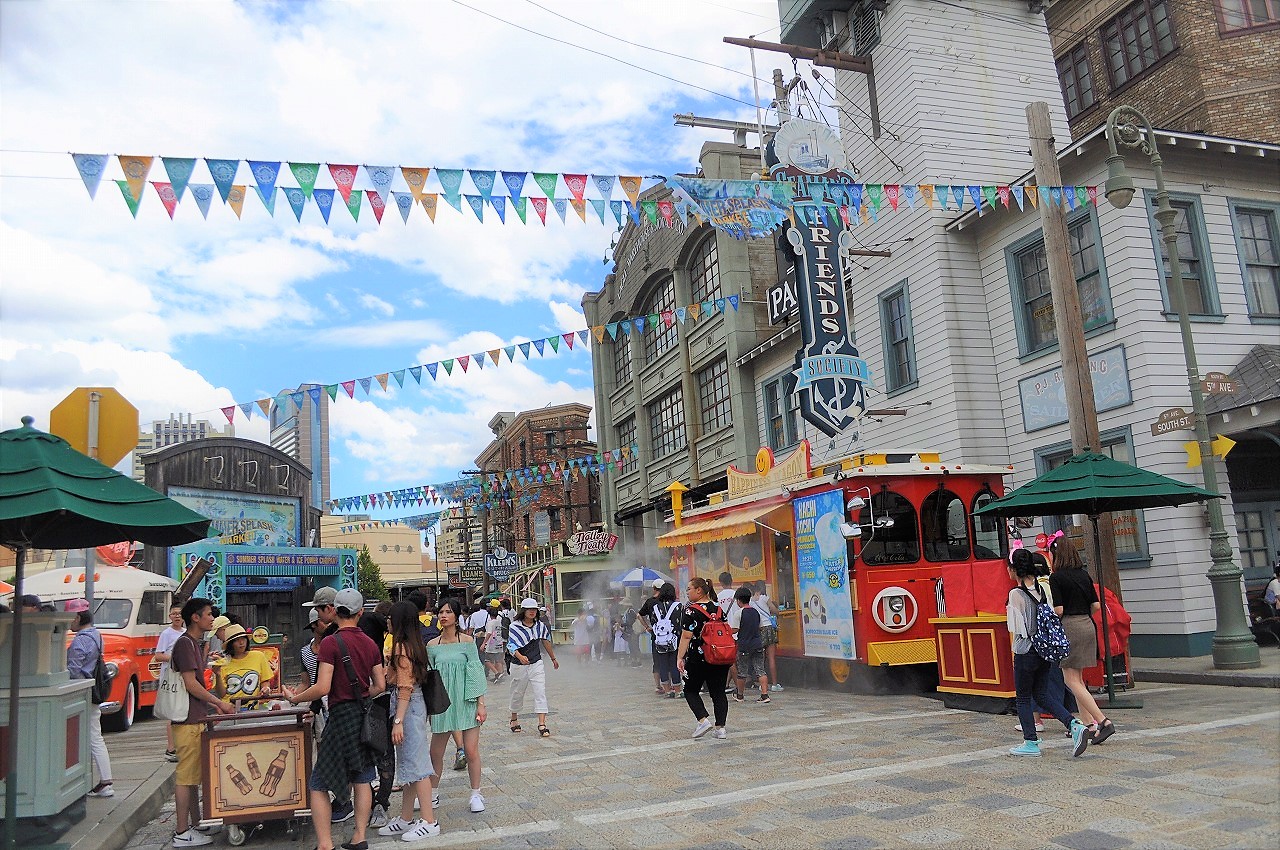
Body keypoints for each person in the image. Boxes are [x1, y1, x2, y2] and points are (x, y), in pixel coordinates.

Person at [284, 588, 385, 850]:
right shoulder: (370, 643)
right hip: (362, 717)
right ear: (360, 612)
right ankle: (359, 837)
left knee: (318, 783)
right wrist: (363, 694)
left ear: (335, 611)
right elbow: (381, 684)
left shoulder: (330, 643)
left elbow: (323, 687)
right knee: (363, 777)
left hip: (340, 717)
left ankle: (326, 844)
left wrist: (296, 699)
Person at [1007, 550, 1091, 758]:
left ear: (1014, 570)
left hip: (1026, 650)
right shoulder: (1042, 588)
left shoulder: (1016, 594)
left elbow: (1017, 628)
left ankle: (1030, 742)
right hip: (1044, 650)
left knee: (1023, 697)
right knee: (1042, 694)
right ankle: (1074, 724)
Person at [171, 598, 236, 847]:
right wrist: (218, 703)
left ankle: (195, 825)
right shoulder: (186, 644)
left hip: (196, 715)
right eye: (208, 614)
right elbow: (191, 684)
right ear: (195, 618)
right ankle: (181, 831)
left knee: (193, 775)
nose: (212, 618)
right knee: (186, 776)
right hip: (187, 719)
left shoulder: (194, 644)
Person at [376, 602, 440, 840]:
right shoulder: (412, 645)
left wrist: (398, 721)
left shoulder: (402, 648)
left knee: (418, 765)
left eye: (391, 618)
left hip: (408, 706)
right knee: (410, 764)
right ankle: (405, 817)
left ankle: (429, 820)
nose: (388, 621)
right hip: (413, 705)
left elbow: (405, 687)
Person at [1048, 535, 1114, 745]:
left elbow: (1059, 610)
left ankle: (1103, 721)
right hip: (1087, 625)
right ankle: (1089, 725)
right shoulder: (1084, 575)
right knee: (1079, 679)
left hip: (1070, 627)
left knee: (1070, 680)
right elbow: (1095, 606)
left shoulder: (1056, 578)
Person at [426, 598, 488, 814]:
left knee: (471, 751)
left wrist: (481, 703)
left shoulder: (468, 641)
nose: (443, 616)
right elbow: (430, 678)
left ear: (456, 616)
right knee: (435, 753)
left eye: (448, 612)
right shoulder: (432, 646)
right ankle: (431, 794)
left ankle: (476, 793)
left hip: (466, 701)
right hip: (442, 704)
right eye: (440, 612)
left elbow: (475, 672)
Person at [67, 599, 114, 798]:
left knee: (94, 737)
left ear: (78, 617)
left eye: (70, 618)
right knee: (94, 736)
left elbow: (74, 670)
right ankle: (104, 781)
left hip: (84, 693)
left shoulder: (80, 640)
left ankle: (105, 781)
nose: (69, 623)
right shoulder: (96, 635)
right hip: (94, 691)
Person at [677, 576, 732, 740]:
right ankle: (720, 728)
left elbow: (686, 636)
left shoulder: (690, 610)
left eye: (689, 589)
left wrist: (680, 657)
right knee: (718, 692)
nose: (687, 592)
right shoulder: (719, 609)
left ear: (699, 590)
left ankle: (702, 720)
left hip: (698, 658)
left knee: (690, 690)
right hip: (720, 656)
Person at [359, 601, 395, 829]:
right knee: (384, 753)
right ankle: (379, 801)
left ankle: (372, 801)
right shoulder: (380, 640)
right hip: (381, 700)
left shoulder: (352, 635)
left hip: (366, 701)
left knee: (368, 753)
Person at [507, 597, 560, 737]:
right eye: (529, 609)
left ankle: (542, 724)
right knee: (517, 693)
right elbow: (511, 645)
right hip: (519, 665)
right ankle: (514, 718)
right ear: (523, 611)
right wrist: (520, 656)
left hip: (536, 662)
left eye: (534, 609)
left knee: (540, 691)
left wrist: (553, 658)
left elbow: (546, 641)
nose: (532, 612)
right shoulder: (515, 626)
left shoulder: (540, 626)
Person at [212, 624, 274, 710]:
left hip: (252, 708)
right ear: (230, 644)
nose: (241, 643)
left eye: (243, 638)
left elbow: (265, 680)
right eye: (236, 640)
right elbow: (221, 694)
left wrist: (266, 689)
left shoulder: (258, 656)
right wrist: (218, 674)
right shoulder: (223, 662)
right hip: (229, 709)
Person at [155, 602, 186, 763]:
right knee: (172, 713)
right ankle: (171, 748)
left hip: (183, 676)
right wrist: (176, 658)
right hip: (170, 677)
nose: (177, 616)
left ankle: (181, 746)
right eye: (174, 614)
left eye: (179, 613)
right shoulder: (166, 634)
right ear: (169, 616)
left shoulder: (186, 632)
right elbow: (158, 656)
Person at [729, 586, 770, 703]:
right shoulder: (756, 612)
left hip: (744, 645)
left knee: (742, 672)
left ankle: (740, 695)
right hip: (757, 644)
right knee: (760, 670)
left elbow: (735, 630)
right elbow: (761, 627)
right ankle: (764, 695)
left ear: (738, 600)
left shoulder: (739, 613)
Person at [299, 607, 329, 737]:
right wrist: (292, 695)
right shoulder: (305, 652)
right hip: (317, 705)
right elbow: (306, 683)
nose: (329, 625)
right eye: (324, 622)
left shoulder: (336, 646)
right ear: (313, 624)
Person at [650, 582, 682, 698]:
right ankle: (678, 690)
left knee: (662, 664)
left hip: (660, 640)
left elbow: (653, 623)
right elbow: (681, 624)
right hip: (674, 640)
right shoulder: (678, 606)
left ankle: (667, 690)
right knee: (674, 664)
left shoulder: (656, 608)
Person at [752, 581, 782, 691]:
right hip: (768, 628)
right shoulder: (765, 597)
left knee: (761, 658)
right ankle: (774, 684)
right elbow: (775, 611)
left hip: (758, 629)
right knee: (771, 658)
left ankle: (762, 684)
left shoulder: (751, 600)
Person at [637, 579, 665, 693]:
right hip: (669, 634)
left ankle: (658, 685)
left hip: (655, 633)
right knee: (668, 658)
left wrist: (647, 627)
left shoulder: (650, 602)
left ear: (654, 588)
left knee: (656, 660)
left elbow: (639, 615)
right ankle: (670, 684)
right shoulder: (667, 601)